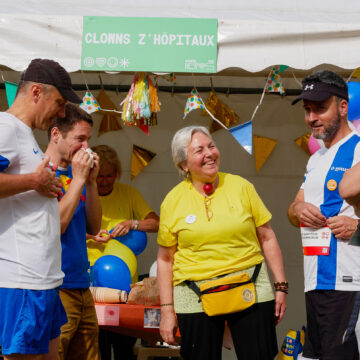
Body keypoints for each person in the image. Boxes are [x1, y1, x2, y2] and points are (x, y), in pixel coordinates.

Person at [157, 126, 287, 360]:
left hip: (252, 285)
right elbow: (165, 259)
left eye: (211, 146)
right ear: (183, 164)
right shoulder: (172, 201)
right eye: (199, 150)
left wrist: (280, 286)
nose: (209, 153)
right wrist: (167, 310)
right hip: (194, 293)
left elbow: (267, 237)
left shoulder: (241, 187)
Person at [0, 58, 82, 359]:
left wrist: (39, 185)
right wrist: (34, 180)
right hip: (22, 281)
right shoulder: (5, 127)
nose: (62, 113)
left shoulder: (23, 133)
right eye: (59, 103)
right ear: (36, 92)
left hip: (43, 279)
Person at [288, 70, 360, 360]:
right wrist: (298, 209)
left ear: (343, 107)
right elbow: (294, 210)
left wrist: (358, 226)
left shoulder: (358, 150)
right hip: (315, 280)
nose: (311, 117)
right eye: (307, 110)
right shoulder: (315, 158)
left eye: (320, 108)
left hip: (349, 280)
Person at [86, 144, 159, 360]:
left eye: (110, 176)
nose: (105, 181)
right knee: (96, 349)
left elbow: (156, 223)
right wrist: (91, 236)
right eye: (100, 176)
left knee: (124, 349)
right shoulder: (82, 193)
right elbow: (62, 230)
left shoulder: (129, 193)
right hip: (90, 283)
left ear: (117, 173)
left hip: (124, 287)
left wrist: (132, 223)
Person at [45, 103, 102, 360]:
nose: (86, 148)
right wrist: (79, 180)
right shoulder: (43, 173)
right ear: (56, 134)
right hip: (56, 287)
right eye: (80, 139)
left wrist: (90, 184)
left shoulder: (76, 175)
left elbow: (94, 227)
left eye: (88, 140)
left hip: (82, 286)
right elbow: (56, 226)